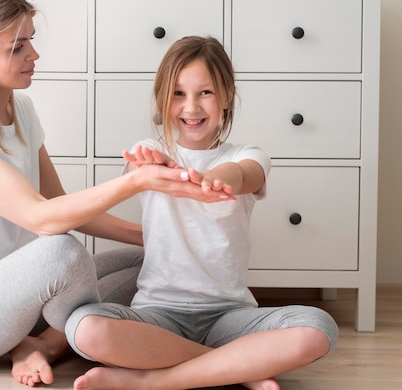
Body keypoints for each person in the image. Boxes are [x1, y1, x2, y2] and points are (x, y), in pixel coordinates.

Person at [0, 0, 206, 388]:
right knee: (61, 251)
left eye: (30, 41)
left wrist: (160, 238)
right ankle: (212, 361)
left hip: (21, 301)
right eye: (17, 47)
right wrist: (138, 181)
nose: (33, 54)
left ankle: (41, 345)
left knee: (153, 262)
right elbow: (40, 217)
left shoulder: (22, 110)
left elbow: (60, 203)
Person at [64, 36, 339, 390]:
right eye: (178, 94)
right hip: (158, 314)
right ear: (163, 98)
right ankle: (239, 368)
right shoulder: (149, 151)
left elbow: (244, 175)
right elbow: (141, 173)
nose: (191, 107)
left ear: (226, 95)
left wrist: (213, 179)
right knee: (84, 327)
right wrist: (157, 169)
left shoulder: (249, 154)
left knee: (318, 329)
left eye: (204, 93)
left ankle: (152, 382)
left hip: (230, 316)